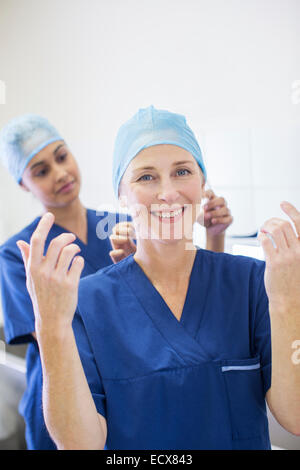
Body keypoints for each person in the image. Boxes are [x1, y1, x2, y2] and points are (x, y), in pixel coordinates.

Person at [20, 106, 300, 451]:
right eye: (146, 177)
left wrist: (290, 299)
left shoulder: (253, 283)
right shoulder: (87, 303)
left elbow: (295, 417)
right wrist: (50, 324)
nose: (168, 192)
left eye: (182, 171)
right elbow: (80, 444)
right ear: (121, 195)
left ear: (202, 183)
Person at [0, 113, 233, 450]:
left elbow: (187, 300)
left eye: (62, 156)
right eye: (41, 171)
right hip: (65, 405)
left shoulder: (123, 223)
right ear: (24, 184)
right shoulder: (20, 253)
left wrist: (213, 237)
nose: (60, 173)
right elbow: (59, 335)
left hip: (132, 400)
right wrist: (123, 284)